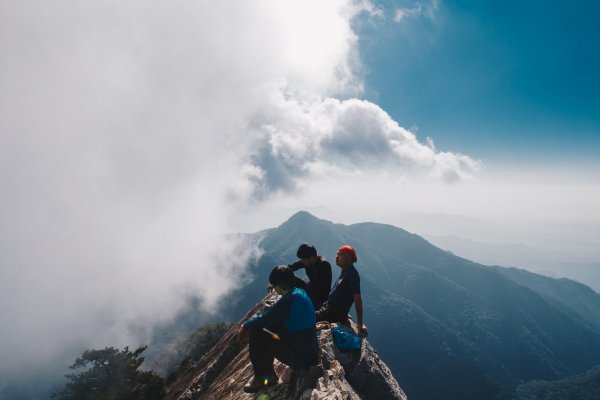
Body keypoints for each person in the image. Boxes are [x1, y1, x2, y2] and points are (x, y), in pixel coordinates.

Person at [237, 265, 319, 393]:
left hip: (301, 359)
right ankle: (266, 373)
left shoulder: (288, 301)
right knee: (269, 325)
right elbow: (275, 316)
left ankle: (264, 376)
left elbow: (264, 319)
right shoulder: (299, 292)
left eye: (275, 285)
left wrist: (245, 326)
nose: (274, 289)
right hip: (310, 351)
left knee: (256, 330)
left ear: (281, 285)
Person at [316, 246, 368, 337]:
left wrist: (360, 324)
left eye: (339, 255)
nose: (336, 257)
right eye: (337, 254)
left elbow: (357, 299)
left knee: (306, 317)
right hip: (329, 309)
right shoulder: (346, 272)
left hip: (333, 314)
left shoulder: (352, 274)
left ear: (348, 258)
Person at [288, 243, 332, 310]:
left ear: (311, 258)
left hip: (320, 297)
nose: (302, 261)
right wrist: (280, 273)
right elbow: (291, 267)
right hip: (310, 289)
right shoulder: (307, 262)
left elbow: (323, 288)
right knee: (289, 276)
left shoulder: (324, 265)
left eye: (303, 259)